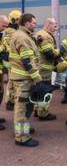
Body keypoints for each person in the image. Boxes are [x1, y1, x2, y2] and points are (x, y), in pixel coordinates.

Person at [9, 13, 41, 147]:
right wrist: (36, 77)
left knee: (26, 106)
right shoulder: (22, 37)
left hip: (22, 78)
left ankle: (24, 129)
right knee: (22, 108)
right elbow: (27, 60)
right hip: (23, 79)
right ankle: (22, 137)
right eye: (33, 23)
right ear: (26, 23)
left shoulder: (23, 35)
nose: (35, 25)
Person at [33, 18, 60, 120]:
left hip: (40, 67)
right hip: (45, 70)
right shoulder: (46, 36)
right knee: (45, 91)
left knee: (39, 90)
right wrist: (58, 52)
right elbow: (49, 53)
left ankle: (37, 109)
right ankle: (43, 113)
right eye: (54, 26)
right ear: (48, 25)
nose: (56, 28)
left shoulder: (40, 33)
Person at [2, 10, 22, 111]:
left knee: (12, 81)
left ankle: (10, 101)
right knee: (12, 82)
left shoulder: (13, 31)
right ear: (14, 20)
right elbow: (10, 48)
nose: (21, 21)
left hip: (11, 60)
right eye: (19, 19)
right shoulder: (11, 32)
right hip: (11, 60)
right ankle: (10, 102)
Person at [0, 15, 9, 130]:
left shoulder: (2, 34)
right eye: (3, 25)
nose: (5, 28)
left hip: (1, 71)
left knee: (0, 93)